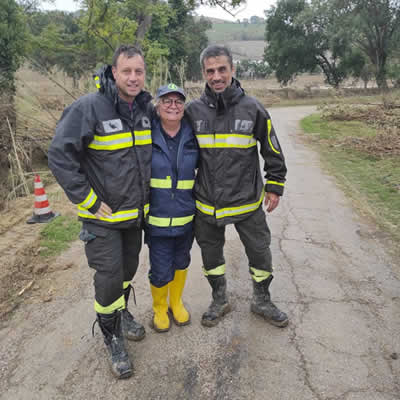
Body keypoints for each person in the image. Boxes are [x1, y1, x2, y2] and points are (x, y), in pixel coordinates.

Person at [48, 45, 153, 379]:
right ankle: (111, 337)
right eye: (127, 71)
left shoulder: (144, 108)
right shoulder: (89, 108)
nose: (133, 78)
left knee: (127, 270)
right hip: (102, 219)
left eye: (139, 71)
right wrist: (88, 200)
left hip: (133, 218)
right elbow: (59, 156)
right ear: (113, 72)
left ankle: (121, 315)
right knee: (108, 279)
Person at [185, 45, 289, 328]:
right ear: (203, 73)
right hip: (206, 204)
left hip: (248, 202)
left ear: (233, 70)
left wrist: (274, 186)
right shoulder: (192, 111)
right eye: (210, 71)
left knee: (259, 250)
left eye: (222, 69)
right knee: (211, 255)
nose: (216, 76)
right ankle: (219, 299)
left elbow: (272, 150)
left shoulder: (253, 109)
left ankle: (262, 300)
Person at [146, 83, 198, 332]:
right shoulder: (146, 135)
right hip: (157, 221)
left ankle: (175, 302)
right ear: (157, 106)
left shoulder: (192, 135)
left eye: (178, 101)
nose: (173, 106)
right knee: (159, 268)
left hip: (186, 219)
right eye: (167, 101)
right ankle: (159, 307)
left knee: (181, 262)